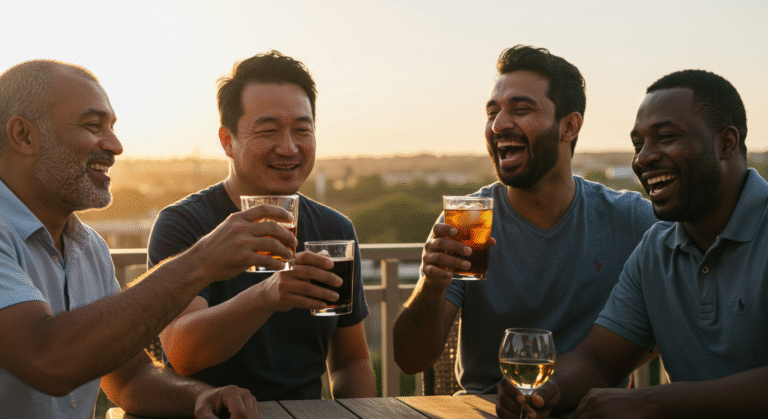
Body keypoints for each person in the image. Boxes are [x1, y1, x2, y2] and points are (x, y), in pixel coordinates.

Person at [0, 60, 273, 418]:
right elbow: (46, 359)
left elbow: (130, 377)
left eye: (112, 127)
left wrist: (198, 396)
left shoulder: (89, 247)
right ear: (23, 135)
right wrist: (200, 261)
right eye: (93, 125)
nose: (115, 146)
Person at [496, 69, 768, 418]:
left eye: (665, 137)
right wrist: (545, 391)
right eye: (638, 145)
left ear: (726, 143)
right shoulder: (657, 248)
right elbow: (597, 360)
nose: (642, 158)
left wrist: (654, 403)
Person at [392, 45, 657, 395]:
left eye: (520, 110)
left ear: (569, 127)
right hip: (486, 410)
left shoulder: (629, 219)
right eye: (492, 113)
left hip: (592, 410)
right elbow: (410, 360)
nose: (498, 125)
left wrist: (618, 362)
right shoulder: (470, 221)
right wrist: (432, 284)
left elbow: (689, 303)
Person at [148, 51, 376, 401]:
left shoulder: (334, 229)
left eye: (302, 130)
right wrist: (266, 296)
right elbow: (182, 353)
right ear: (227, 141)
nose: (288, 147)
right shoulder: (186, 223)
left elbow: (350, 360)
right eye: (268, 130)